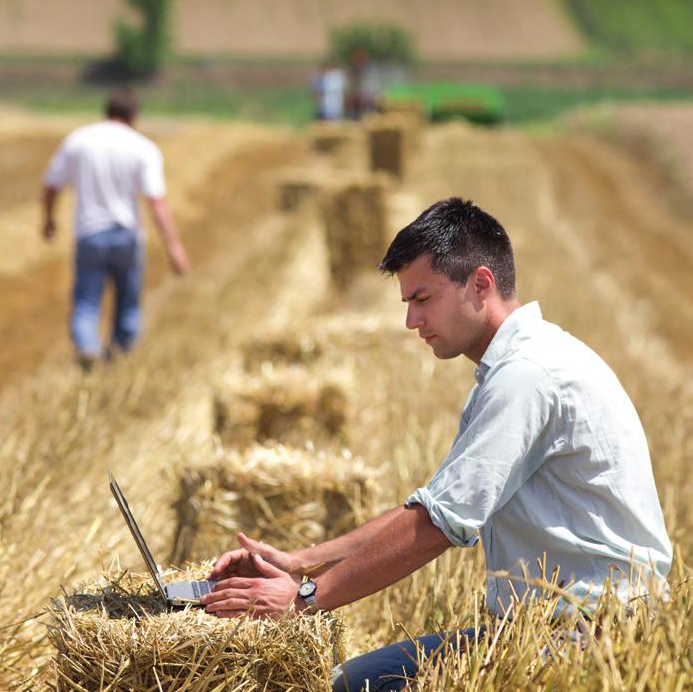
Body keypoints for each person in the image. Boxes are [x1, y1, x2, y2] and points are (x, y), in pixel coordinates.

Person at [201, 197, 672, 690]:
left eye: (422, 299)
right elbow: (433, 505)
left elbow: (437, 526)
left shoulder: (528, 378)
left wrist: (302, 600)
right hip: (533, 631)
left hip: (589, 641)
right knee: (343, 682)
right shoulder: (516, 367)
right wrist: (299, 562)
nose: (411, 321)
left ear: (481, 284)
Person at [41, 88, 189, 368]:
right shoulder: (142, 147)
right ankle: (119, 359)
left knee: (86, 302)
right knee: (128, 305)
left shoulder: (79, 141)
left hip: (89, 234)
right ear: (134, 116)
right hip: (127, 236)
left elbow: (51, 185)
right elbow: (156, 203)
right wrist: (174, 247)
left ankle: (87, 347)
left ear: (106, 112)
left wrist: (49, 220)